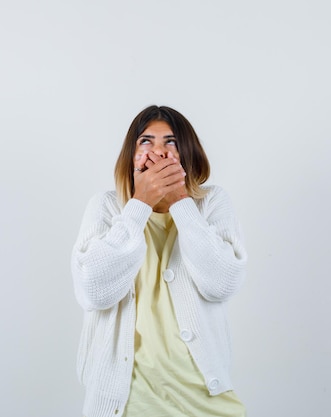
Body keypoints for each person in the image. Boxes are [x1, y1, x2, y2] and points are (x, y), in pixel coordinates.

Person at [71, 105, 247, 417]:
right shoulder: (106, 208)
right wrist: (139, 204)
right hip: (125, 405)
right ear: (132, 155)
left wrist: (180, 200)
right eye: (146, 141)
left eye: (171, 142)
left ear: (187, 154)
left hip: (203, 400)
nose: (159, 152)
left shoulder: (212, 204)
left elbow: (221, 284)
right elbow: (94, 291)